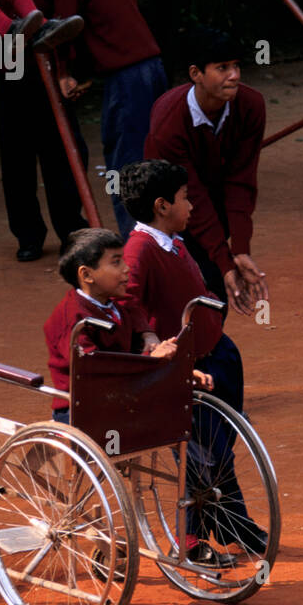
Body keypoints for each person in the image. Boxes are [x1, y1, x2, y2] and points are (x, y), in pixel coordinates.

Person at [117, 160, 268, 560]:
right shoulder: (139, 249)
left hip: (218, 355)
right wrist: (149, 339)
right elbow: (126, 299)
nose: (192, 206)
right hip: (188, 370)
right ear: (162, 205)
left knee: (218, 453)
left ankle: (228, 524)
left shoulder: (173, 239)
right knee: (205, 456)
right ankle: (200, 536)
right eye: (185, 198)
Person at [42, 0, 169, 235]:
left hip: (125, 77)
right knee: (154, 160)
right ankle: (165, 242)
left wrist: (65, 73)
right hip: (152, 66)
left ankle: (137, 246)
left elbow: (65, 25)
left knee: (124, 167)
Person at [143, 27, 268, 316]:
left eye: (236, 66)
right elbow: (192, 196)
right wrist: (224, 263)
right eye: (222, 68)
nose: (234, 75)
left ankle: (205, 354)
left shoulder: (251, 106)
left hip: (211, 200)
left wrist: (239, 249)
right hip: (168, 206)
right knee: (185, 292)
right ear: (195, 74)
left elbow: (241, 181)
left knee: (215, 295)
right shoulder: (169, 122)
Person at [0, 0, 88, 262]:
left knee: (65, 152)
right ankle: (29, 236)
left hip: (52, 72)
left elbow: (74, 16)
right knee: (16, 160)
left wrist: (68, 72)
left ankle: (72, 228)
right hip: (14, 74)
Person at [42, 227, 172, 421]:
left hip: (116, 397)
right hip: (82, 410)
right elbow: (94, 368)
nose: (127, 268)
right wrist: (151, 359)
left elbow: (133, 343)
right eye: (116, 262)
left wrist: (173, 372)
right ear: (86, 275)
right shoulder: (72, 320)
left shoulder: (116, 307)